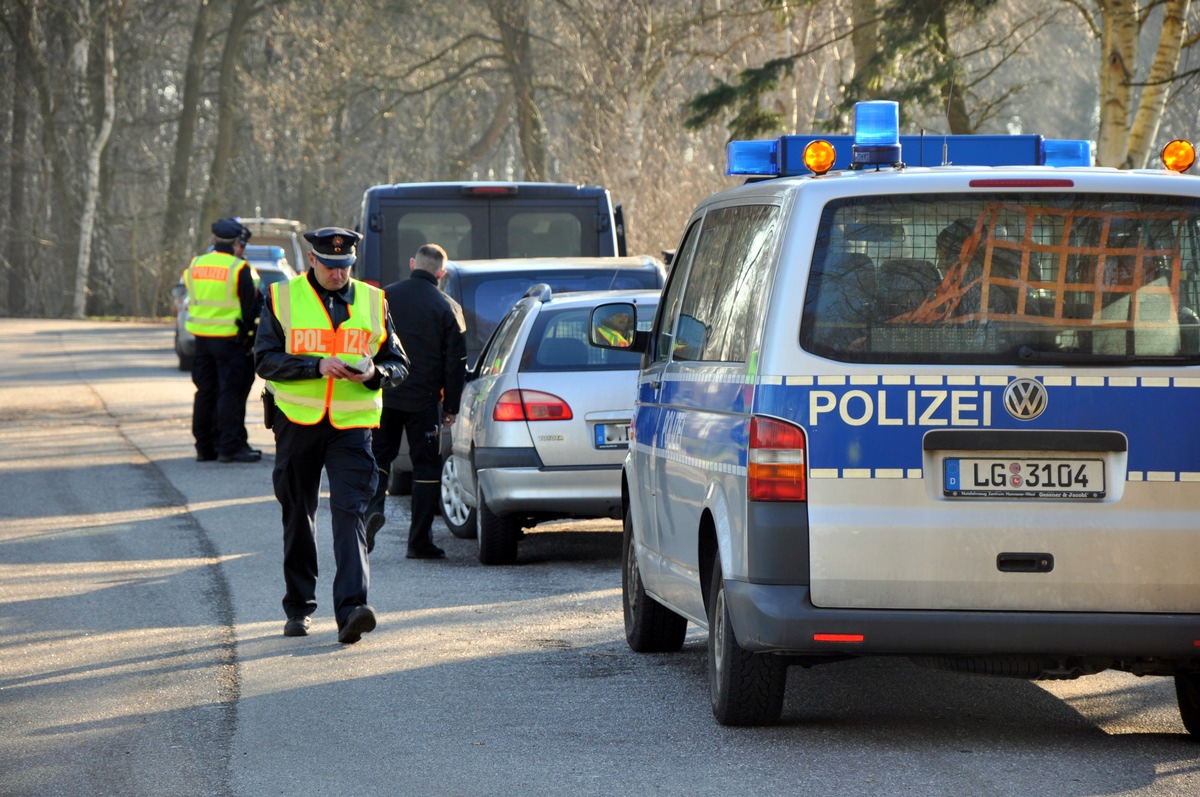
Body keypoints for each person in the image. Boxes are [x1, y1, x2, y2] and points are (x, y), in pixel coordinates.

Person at [254, 226, 410, 644]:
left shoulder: (374, 301)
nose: (338, 274)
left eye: (345, 267)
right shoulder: (282, 298)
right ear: (311, 261)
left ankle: (352, 611)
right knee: (299, 517)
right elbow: (265, 359)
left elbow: (398, 362)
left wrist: (377, 373)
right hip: (297, 422)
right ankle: (299, 607)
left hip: (352, 426)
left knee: (351, 515)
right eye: (330, 266)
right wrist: (315, 366)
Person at [365, 243, 467, 559]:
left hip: (383, 392)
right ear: (442, 273)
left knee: (379, 458)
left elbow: (365, 341)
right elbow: (456, 362)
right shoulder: (448, 307)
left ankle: (371, 512)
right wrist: (451, 406)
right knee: (426, 468)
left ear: (412, 264)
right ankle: (418, 541)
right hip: (424, 401)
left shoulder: (384, 298)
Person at [185, 217, 262, 463]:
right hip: (230, 341)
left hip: (202, 340)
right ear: (236, 242)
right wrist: (251, 334)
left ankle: (204, 447)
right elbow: (250, 309)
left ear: (213, 239)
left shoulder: (195, 264)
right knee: (230, 393)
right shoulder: (238, 269)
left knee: (205, 392)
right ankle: (229, 446)